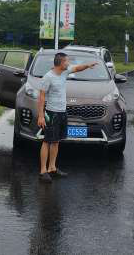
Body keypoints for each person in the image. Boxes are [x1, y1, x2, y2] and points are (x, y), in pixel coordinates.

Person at [36, 52, 97, 183]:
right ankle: (43, 171)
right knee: (47, 141)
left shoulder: (64, 72)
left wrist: (87, 65)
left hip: (62, 112)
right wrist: (41, 116)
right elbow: (41, 97)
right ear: (61, 63)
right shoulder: (48, 77)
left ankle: (52, 167)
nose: (68, 63)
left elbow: (77, 68)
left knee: (56, 140)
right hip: (51, 114)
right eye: (67, 61)